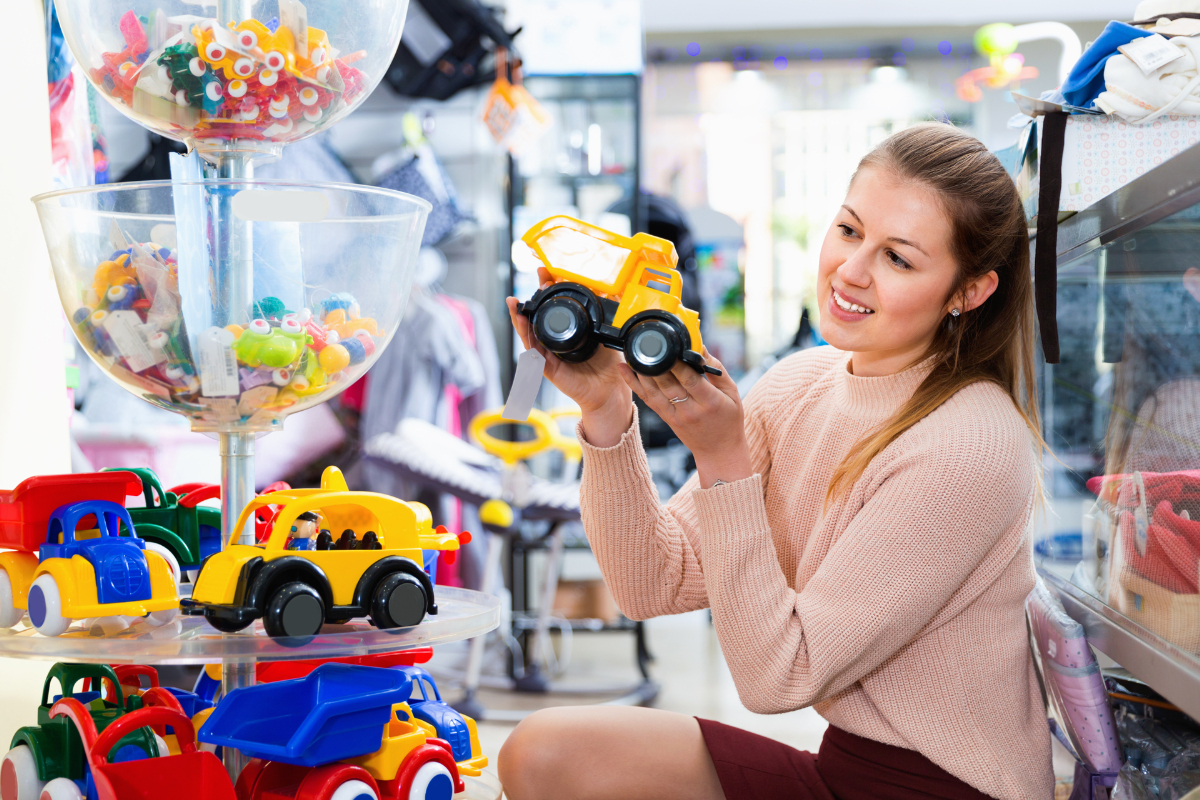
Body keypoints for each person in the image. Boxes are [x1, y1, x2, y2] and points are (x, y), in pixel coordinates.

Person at [498, 124, 1053, 800]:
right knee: (542, 754)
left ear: (969, 291)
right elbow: (650, 583)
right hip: (844, 768)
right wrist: (607, 415)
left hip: (944, 789)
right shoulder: (804, 383)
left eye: (898, 259)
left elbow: (778, 677)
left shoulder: (969, 442)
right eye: (849, 231)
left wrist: (723, 459)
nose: (851, 271)